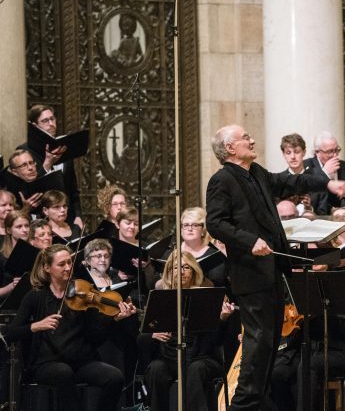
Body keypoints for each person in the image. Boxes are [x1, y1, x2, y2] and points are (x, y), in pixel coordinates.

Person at [205, 124, 345, 411]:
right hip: (250, 273)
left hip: (273, 271)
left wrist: (325, 181)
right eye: (245, 137)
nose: (252, 138)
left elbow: (288, 183)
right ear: (230, 148)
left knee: (269, 344)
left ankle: (254, 402)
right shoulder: (222, 180)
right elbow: (215, 223)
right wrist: (249, 241)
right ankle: (242, 405)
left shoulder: (256, 173)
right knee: (258, 344)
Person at [3, 244, 137, 411]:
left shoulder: (83, 293)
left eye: (70, 262)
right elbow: (9, 334)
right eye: (61, 264)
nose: (68, 268)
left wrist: (115, 319)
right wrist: (35, 326)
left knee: (115, 377)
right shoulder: (35, 296)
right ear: (47, 268)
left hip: (81, 361)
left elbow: (95, 337)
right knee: (63, 372)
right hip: (47, 363)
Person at [144, 251, 235, 411]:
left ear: (194, 270)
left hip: (202, 358)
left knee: (196, 369)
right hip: (170, 358)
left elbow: (216, 341)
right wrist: (152, 334)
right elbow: (141, 337)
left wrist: (222, 319)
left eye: (186, 267)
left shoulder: (206, 295)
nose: (181, 272)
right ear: (168, 272)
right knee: (156, 369)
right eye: (175, 268)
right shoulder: (159, 297)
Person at [18, 105, 83, 228]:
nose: (51, 123)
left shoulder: (64, 147)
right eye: (45, 121)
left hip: (66, 218)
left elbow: (72, 189)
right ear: (35, 126)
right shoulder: (25, 151)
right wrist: (47, 163)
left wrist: (78, 216)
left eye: (52, 119)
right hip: (40, 219)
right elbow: (28, 188)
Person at [303, 131, 345, 214]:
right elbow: (310, 197)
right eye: (330, 151)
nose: (335, 155)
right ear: (317, 152)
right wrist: (325, 173)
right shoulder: (306, 167)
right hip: (317, 217)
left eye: (337, 150)